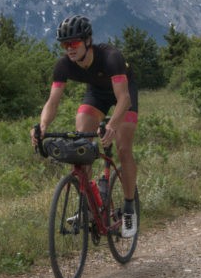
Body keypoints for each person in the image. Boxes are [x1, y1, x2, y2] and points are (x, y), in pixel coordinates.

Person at [31, 15, 140, 238]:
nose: (69, 49)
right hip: (97, 94)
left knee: (123, 148)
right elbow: (52, 102)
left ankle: (129, 208)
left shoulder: (111, 57)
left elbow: (124, 100)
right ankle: (89, 204)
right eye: (64, 44)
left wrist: (111, 125)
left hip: (124, 94)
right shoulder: (64, 65)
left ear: (87, 40)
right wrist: (42, 125)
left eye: (73, 43)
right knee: (81, 141)